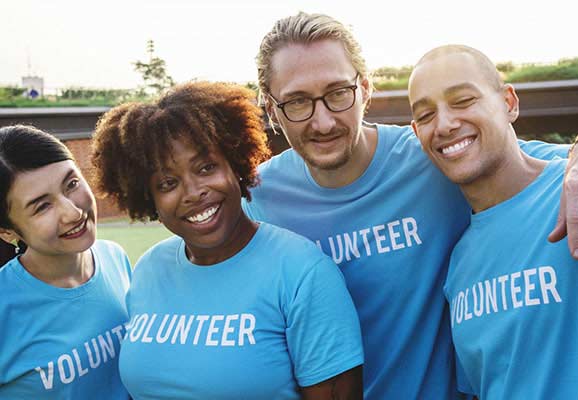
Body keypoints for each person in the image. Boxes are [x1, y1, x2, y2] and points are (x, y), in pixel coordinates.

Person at [243, 12, 573, 399]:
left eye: (338, 94)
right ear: (271, 108)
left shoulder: (433, 156)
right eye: (297, 102)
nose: (323, 122)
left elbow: (525, 161)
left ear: (365, 89)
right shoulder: (257, 199)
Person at [91, 81, 364, 400]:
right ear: (148, 198)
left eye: (206, 167)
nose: (193, 192)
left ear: (236, 165)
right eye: (167, 183)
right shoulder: (150, 268)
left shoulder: (304, 273)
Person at [408, 44, 578, 399]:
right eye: (425, 115)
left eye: (463, 100)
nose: (444, 124)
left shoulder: (569, 193)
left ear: (509, 103)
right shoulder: (458, 264)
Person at [0, 125, 131, 399]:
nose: (73, 213)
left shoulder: (115, 258)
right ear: (7, 231)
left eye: (71, 184)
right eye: (42, 206)